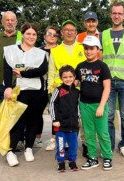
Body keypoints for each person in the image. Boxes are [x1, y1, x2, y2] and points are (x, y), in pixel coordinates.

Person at [3, 23, 48, 167]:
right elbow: (7, 70)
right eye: (28, 34)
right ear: (22, 34)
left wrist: (23, 73)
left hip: (36, 91)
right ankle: (10, 151)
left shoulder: (41, 53)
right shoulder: (10, 51)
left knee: (33, 120)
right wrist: (8, 87)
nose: (31, 37)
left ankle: (29, 148)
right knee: (17, 122)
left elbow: (41, 70)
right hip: (19, 91)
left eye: (34, 34)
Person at [99, 1, 124, 157]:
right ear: (111, 15)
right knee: (108, 115)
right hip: (108, 81)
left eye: (120, 13)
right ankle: (109, 145)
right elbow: (100, 57)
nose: (117, 16)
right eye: (114, 13)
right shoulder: (103, 34)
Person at [48, 20, 86, 156]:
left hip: (80, 89)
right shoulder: (55, 51)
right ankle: (64, 146)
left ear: (76, 33)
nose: (69, 32)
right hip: (61, 90)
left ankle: (84, 143)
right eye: (66, 30)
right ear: (62, 32)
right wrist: (51, 89)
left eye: (72, 30)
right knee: (64, 118)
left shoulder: (82, 48)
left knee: (81, 118)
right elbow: (51, 72)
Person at [76, 36, 113, 170]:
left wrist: (102, 106)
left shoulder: (102, 66)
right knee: (88, 133)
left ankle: (107, 156)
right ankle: (92, 157)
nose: (88, 51)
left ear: (97, 49)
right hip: (84, 105)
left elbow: (107, 87)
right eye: (86, 48)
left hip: (99, 105)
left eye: (92, 48)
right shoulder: (80, 67)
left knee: (103, 132)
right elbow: (75, 82)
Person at [49, 65, 79, 172]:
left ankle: (72, 161)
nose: (68, 79)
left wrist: (78, 119)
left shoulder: (76, 92)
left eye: (70, 76)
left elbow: (78, 106)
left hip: (73, 125)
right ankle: (61, 162)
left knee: (73, 145)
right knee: (61, 145)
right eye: (65, 77)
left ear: (74, 77)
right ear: (61, 78)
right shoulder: (58, 90)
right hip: (60, 125)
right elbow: (52, 104)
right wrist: (55, 119)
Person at [0, 11, 22, 103]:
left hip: (19, 80)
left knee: (19, 112)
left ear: (16, 22)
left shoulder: (23, 37)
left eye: (12, 20)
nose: (10, 22)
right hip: (1, 81)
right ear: (2, 22)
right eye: (7, 20)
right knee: (4, 112)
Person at [39, 26, 60, 151]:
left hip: (55, 84)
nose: (52, 36)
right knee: (37, 112)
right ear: (44, 36)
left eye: (55, 34)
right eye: (49, 33)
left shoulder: (60, 50)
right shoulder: (38, 51)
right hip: (40, 84)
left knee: (55, 113)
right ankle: (37, 138)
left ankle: (54, 138)